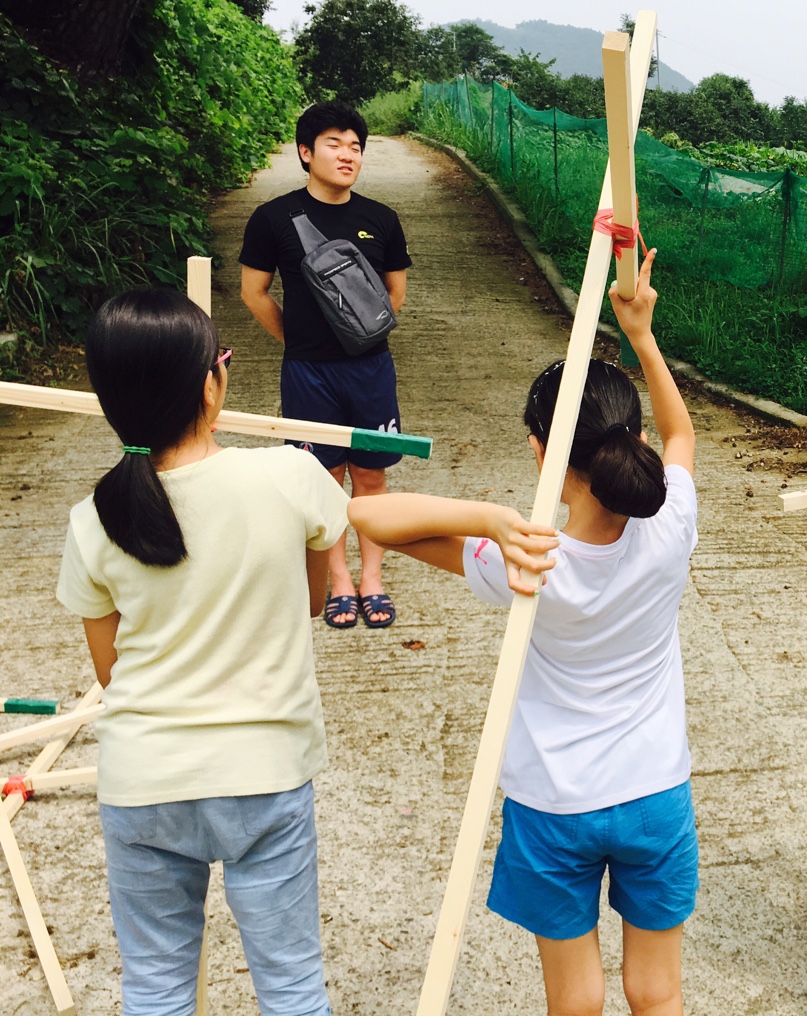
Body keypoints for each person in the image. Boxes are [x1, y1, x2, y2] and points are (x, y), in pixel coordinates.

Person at [55, 288, 551, 1014]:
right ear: (210, 386)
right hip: (264, 774)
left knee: (155, 988)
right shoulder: (288, 477)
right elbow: (316, 599)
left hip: (142, 783)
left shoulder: (91, 519)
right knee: (291, 985)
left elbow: (112, 672)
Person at [349, 249, 699, 1016]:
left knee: (574, 998)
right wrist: (642, 336)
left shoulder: (520, 556)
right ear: (633, 439)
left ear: (540, 451)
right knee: (658, 991)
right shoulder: (672, 521)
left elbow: (368, 515)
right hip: (654, 792)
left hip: (553, 803)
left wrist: (487, 518)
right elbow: (683, 437)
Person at [239, 101, 411, 629]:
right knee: (324, 479)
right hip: (307, 374)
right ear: (305, 152)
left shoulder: (382, 219)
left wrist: (357, 337)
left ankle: (372, 579)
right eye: (334, 144)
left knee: (371, 477)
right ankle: (339, 579)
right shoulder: (273, 219)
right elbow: (253, 292)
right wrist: (297, 340)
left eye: (355, 146)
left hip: (371, 370)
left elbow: (394, 294)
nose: (347, 154)